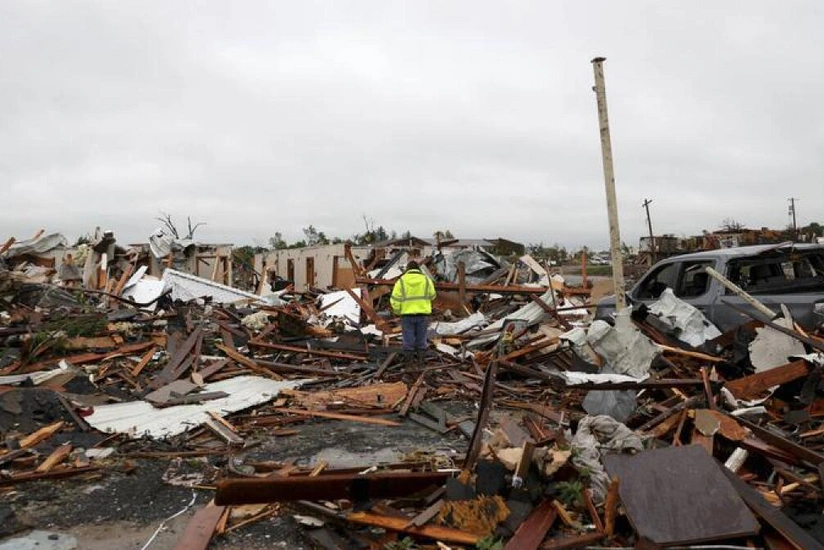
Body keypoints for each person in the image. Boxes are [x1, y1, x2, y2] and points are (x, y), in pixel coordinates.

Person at [391, 260, 437, 365]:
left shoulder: (401, 281)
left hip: (407, 315)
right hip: (423, 315)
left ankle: (409, 364)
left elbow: (394, 300)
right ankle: (421, 363)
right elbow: (433, 295)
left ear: (407, 269)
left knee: (408, 340)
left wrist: (398, 311)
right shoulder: (426, 280)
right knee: (422, 339)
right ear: (418, 269)